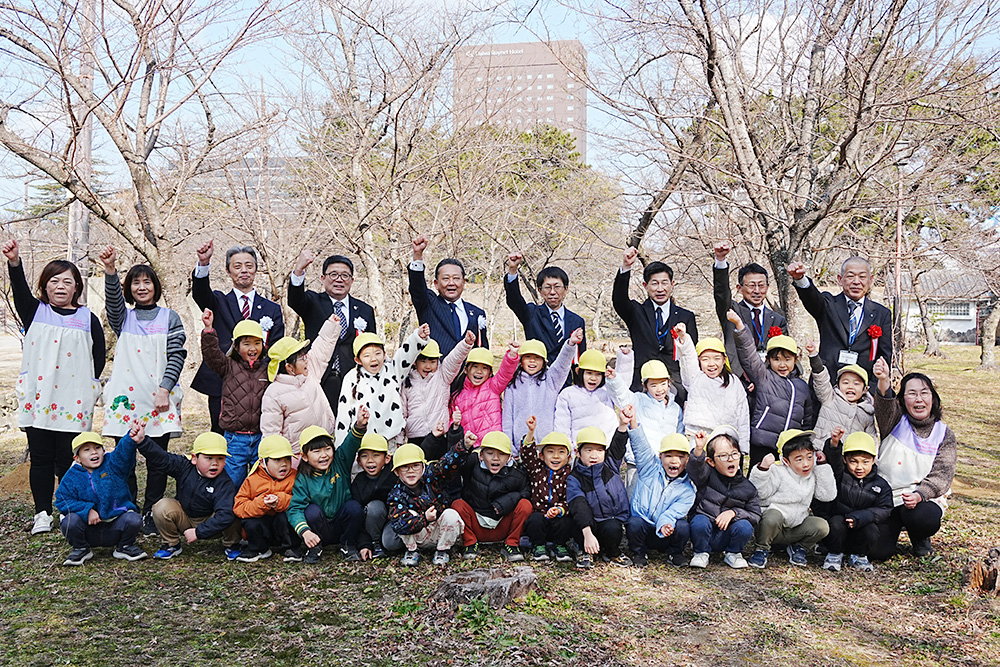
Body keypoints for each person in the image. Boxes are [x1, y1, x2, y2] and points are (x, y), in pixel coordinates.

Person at [5, 238, 106, 535]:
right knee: (41, 457)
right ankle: (42, 513)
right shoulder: (35, 312)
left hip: (73, 400)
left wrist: (83, 387)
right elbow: (20, 292)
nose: (60, 286)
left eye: (67, 281)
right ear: (45, 286)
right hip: (39, 398)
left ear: (77, 287)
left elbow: (96, 358)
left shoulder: (88, 318)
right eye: (54, 281)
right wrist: (14, 262)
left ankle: (67, 508)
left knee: (68, 457)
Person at [98, 246, 186, 534]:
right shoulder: (125, 319)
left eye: (147, 282)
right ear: (129, 288)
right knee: (124, 457)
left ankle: (151, 512)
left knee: (157, 459)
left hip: (157, 397)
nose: (141, 287)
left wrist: (165, 389)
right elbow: (113, 305)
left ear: (155, 286)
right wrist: (111, 270)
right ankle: (129, 509)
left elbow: (177, 355)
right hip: (126, 400)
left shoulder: (169, 317)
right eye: (135, 282)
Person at [191, 240, 284, 433]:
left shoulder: (271, 308)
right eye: (237, 266)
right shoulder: (218, 301)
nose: (244, 270)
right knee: (220, 434)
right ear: (228, 271)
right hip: (221, 382)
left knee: (261, 434)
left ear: (256, 270)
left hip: (259, 385)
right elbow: (200, 294)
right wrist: (203, 263)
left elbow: (276, 346)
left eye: (249, 265)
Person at [869, 359, 956, 559]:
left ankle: (919, 537)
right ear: (902, 400)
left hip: (919, 500)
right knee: (877, 552)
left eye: (924, 393)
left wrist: (920, 494)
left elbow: (942, 475)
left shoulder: (944, 434)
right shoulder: (894, 421)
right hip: (887, 496)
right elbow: (884, 402)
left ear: (933, 398)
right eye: (912, 393)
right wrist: (883, 380)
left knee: (924, 518)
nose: (919, 399)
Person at [287, 250, 376, 413]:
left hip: (354, 380)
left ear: (352, 280)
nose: (339, 280)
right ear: (323, 278)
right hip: (319, 378)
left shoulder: (365, 310)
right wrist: (299, 269)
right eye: (333, 274)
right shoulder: (313, 302)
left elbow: (372, 347)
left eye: (345, 275)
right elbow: (295, 299)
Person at [787, 257, 892, 389]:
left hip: (862, 388)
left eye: (862, 277)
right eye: (850, 276)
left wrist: (872, 390)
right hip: (827, 385)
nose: (856, 282)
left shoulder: (881, 313)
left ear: (870, 280)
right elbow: (812, 298)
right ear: (840, 279)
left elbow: (884, 356)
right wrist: (800, 279)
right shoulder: (828, 305)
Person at [54, 424, 148, 566]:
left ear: (104, 451)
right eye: (87, 450)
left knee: (133, 519)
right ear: (77, 458)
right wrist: (87, 510)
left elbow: (122, 454)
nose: (94, 453)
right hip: (88, 528)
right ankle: (81, 548)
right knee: (69, 521)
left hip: (115, 525)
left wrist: (130, 438)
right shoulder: (71, 477)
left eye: (97, 448)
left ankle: (124, 546)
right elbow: (62, 500)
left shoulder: (113, 465)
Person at [729, 310, 813, 468]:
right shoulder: (764, 377)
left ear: (796, 360)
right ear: (768, 360)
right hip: (763, 442)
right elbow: (748, 355)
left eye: (787, 359)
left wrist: (803, 441)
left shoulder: (801, 386)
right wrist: (740, 326)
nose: (782, 365)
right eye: (776, 359)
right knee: (759, 477)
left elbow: (807, 418)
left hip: (789, 445)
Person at [142, 431, 241, 561]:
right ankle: (171, 544)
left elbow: (225, 515)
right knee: (161, 506)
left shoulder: (224, 482)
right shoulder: (184, 466)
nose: (215, 463)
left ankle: (232, 544)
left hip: (211, 522)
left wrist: (198, 532)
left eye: (220, 458)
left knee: (233, 510)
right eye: (209, 458)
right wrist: (142, 441)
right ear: (194, 458)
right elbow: (162, 458)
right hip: (186, 518)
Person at [747, 429, 837, 568]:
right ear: (786, 461)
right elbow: (760, 494)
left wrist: (823, 465)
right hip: (773, 526)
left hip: (796, 526)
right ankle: (761, 548)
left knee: (822, 526)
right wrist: (763, 469)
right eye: (799, 459)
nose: (806, 464)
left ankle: (799, 548)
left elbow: (827, 495)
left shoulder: (813, 474)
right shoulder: (778, 471)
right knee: (772, 516)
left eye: (809, 457)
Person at [200, 308, 269, 490]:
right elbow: (212, 355)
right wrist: (208, 330)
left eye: (257, 343)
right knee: (232, 482)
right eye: (246, 344)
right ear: (236, 347)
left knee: (259, 482)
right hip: (234, 438)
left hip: (260, 436)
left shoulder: (268, 369)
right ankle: (230, 515)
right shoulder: (228, 366)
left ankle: (254, 515)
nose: (252, 348)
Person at [612, 246, 697, 394]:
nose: (660, 289)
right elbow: (619, 300)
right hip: (642, 382)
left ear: (672, 284)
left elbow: (691, 354)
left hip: (675, 385)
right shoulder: (636, 311)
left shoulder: (686, 316)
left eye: (664, 283)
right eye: (654, 283)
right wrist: (626, 267)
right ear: (645, 286)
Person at [288, 413, 368, 565]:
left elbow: (350, 443)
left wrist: (359, 425)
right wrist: (305, 532)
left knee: (354, 507)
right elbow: (295, 509)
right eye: (316, 451)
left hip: (340, 523)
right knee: (311, 511)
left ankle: (347, 545)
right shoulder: (303, 478)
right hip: (318, 530)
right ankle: (314, 548)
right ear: (304, 456)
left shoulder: (340, 463)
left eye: (327, 449)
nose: (323, 455)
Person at [388, 426, 473, 567]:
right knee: (406, 515)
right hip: (418, 534)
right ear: (397, 472)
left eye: (415, 466)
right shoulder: (395, 494)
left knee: (451, 514)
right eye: (405, 467)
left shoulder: (433, 475)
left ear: (423, 466)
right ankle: (412, 551)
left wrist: (463, 446)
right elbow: (398, 524)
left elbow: (447, 463)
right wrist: (424, 519)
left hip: (439, 531)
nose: (411, 471)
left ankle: (442, 550)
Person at [334, 326, 429, 449]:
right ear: (358, 360)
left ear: (384, 355)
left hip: (390, 440)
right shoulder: (351, 378)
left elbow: (405, 356)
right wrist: (340, 449)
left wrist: (417, 338)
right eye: (367, 355)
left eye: (377, 353)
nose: (373, 359)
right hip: (362, 443)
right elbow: (343, 414)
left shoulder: (392, 371)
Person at [259, 313, 341, 453]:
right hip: (297, 454)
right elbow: (271, 432)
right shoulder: (274, 394)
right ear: (289, 367)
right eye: (302, 358)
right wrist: (280, 457)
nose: (307, 360)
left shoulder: (309, 374)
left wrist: (331, 325)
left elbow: (321, 349)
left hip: (324, 445)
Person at [606, 349, 684, 491]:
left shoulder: (675, 409)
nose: (659, 389)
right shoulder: (638, 400)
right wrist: (614, 380)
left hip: (663, 464)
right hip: (637, 464)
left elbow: (679, 434)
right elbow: (621, 395)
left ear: (668, 382)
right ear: (645, 386)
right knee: (635, 498)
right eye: (653, 385)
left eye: (663, 384)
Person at [624, 415, 696, 568]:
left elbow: (672, 513)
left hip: (666, 530)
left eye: (680, 456)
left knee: (683, 526)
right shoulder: (649, 468)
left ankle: (675, 553)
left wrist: (666, 525)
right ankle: (639, 552)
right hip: (643, 527)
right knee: (634, 523)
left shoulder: (688, 490)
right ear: (660, 456)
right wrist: (632, 421)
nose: (674, 460)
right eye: (668, 455)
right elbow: (640, 446)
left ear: (687, 459)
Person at [686, 426, 761, 569]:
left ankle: (733, 553)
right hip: (705, 531)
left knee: (745, 526)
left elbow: (755, 514)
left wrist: (734, 513)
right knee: (699, 521)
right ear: (711, 462)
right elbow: (695, 468)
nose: (730, 459)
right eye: (723, 455)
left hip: (727, 534)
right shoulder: (706, 476)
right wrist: (699, 449)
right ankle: (701, 552)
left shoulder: (748, 488)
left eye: (734, 454)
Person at [712, 242, 787, 384]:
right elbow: (721, 293)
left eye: (761, 285)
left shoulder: (777, 319)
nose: (757, 291)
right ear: (739, 288)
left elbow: (783, 354)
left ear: (768, 287)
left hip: (770, 381)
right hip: (739, 380)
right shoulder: (732, 312)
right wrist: (720, 260)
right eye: (751, 286)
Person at [451, 431, 532, 562]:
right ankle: (470, 543)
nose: (496, 458)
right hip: (476, 523)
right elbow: (456, 462)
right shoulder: (472, 465)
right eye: (490, 453)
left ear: (509, 457)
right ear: (481, 455)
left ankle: (511, 544)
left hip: (501, 525)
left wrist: (508, 500)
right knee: (457, 505)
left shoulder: (517, 474)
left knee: (525, 505)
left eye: (501, 454)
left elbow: (527, 492)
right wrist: (463, 445)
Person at [819, 430, 893, 572]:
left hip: (861, 524)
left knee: (871, 531)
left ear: (873, 460)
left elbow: (885, 508)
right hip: (840, 524)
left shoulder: (880, 484)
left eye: (865, 462)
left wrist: (862, 517)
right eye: (854, 461)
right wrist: (834, 443)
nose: (859, 467)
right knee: (834, 524)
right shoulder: (841, 474)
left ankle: (859, 555)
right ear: (845, 459)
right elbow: (833, 461)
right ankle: (834, 553)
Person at [673, 325, 749, 455]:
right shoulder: (695, 378)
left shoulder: (734, 382)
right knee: (700, 471)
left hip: (726, 438)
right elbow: (687, 358)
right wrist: (683, 337)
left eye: (716, 358)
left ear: (724, 360)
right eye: (705, 359)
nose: (711, 364)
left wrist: (743, 447)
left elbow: (743, 415)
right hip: (699, 436)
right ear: (699, 361)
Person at [502, 331, 581, 454]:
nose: (532, 361)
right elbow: (507, 420)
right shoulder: (512, 385)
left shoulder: (551, 380)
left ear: (545, 362)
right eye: (528, 357)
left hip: (547, 447)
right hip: (520, 447)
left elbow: (562, 364)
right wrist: (510, 448)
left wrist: (570, 344)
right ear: (521, 361)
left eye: (537, 358)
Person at [409, 235, 488, 356]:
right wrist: (417, 255)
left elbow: (482, 352)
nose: (451, 283)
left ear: (463, 282)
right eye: (446, 278)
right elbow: (417, 288)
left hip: (466, 374)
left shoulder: (477, 313)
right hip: (435, 373)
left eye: (456, 278)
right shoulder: (429, 304)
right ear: (436, 283)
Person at [568, 421, 631, 569]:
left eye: (599, 450)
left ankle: (612, 552)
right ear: (578, 452)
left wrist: (623, 424)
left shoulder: (610, 465)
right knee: (577, 523)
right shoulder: (574, 478)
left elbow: (618, 444)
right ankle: (584, 551)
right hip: (587, 526)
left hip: (607, 520)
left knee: (613, 527)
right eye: (588, 450)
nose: (594, 455)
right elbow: (578, 504)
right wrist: (588, 534)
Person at [505, 252, 587, 361]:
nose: (552, 292)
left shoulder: (577, 321)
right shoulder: (531, 313)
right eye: (547, 287)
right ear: (540, 291)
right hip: (539, 374)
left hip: (566, 376)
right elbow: (514, 300)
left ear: (566, 289)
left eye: (557, 287)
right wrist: (513, 270)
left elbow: (580, 356)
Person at [233, 434, 300, 563]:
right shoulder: (252, 480)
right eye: (277, 460)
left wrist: (280, 500)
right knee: (251, 522)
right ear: (263, 462)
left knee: (286, 517)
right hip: (263, 527)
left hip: (283, 529)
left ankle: (292, 548)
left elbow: (302, 500)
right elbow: (239, 506)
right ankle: (259, 549)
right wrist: (261, 503)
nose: (284, 464)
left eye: (287, 459)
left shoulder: (295, 477)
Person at [401, 333, 475, 446]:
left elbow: (454, 360)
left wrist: (466, 344)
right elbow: (402, 412)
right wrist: (400, 440)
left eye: (432, 361)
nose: (428, 366)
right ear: (415, 361)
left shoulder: (442, 376)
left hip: (439, 434)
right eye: (423, 361)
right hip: (415, 436)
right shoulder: (407, 382)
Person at [519, 417, 574, 563]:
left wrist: (560, 510)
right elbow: (527, 455)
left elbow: (571, 499)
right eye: (550, 451)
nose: (556, 456)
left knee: (566, 523)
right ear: (542, 456)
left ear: (568, 457)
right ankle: (538, 545)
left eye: (561, 452)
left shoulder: (569, 475)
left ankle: (560, 546)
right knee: (534, 520)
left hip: (558, 518)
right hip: (540, 517)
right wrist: (531, 432)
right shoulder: (537, 469)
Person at [806, 343, 877, 451]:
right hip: (819, 451)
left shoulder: (867, 413)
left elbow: (872, 441)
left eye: (856, 384)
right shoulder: (830, 398)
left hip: (847, 460)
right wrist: (814, 355)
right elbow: (821, 379)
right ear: (838, 385)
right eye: (845, 382)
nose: (850, 387)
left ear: (865, 390)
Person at [450, 343, 520, 441]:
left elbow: (505, 373)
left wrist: (512, 355)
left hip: (492, 443)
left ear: (490, 372)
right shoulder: (457, 396)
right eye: (475, 366)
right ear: (466, 369)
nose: (479, 371)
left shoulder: (493, 386)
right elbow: (452, 421)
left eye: (484, 368)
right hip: (469, 445)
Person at [350, 432, 404, 559]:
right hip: (371, 523)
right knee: (375, 507)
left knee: (390, 543)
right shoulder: (359, 482)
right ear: (358, 461)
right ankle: (375, 544)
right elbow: (357, 518)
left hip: (393, 519)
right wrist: (364, 544)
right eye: (364, 456)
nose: (370, 460)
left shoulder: (393, 474)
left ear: (387, 458)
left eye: (376, 455)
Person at [553, 349, 618, 446]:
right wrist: (568, 451)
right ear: (578, 371)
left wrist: (626, 358)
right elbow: (562, 427)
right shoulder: (567, 394)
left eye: (598, 374)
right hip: (580, 451)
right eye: (589, 373)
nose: (593, 378)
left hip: (606, 450)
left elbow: (623, 387)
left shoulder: (608, 392)